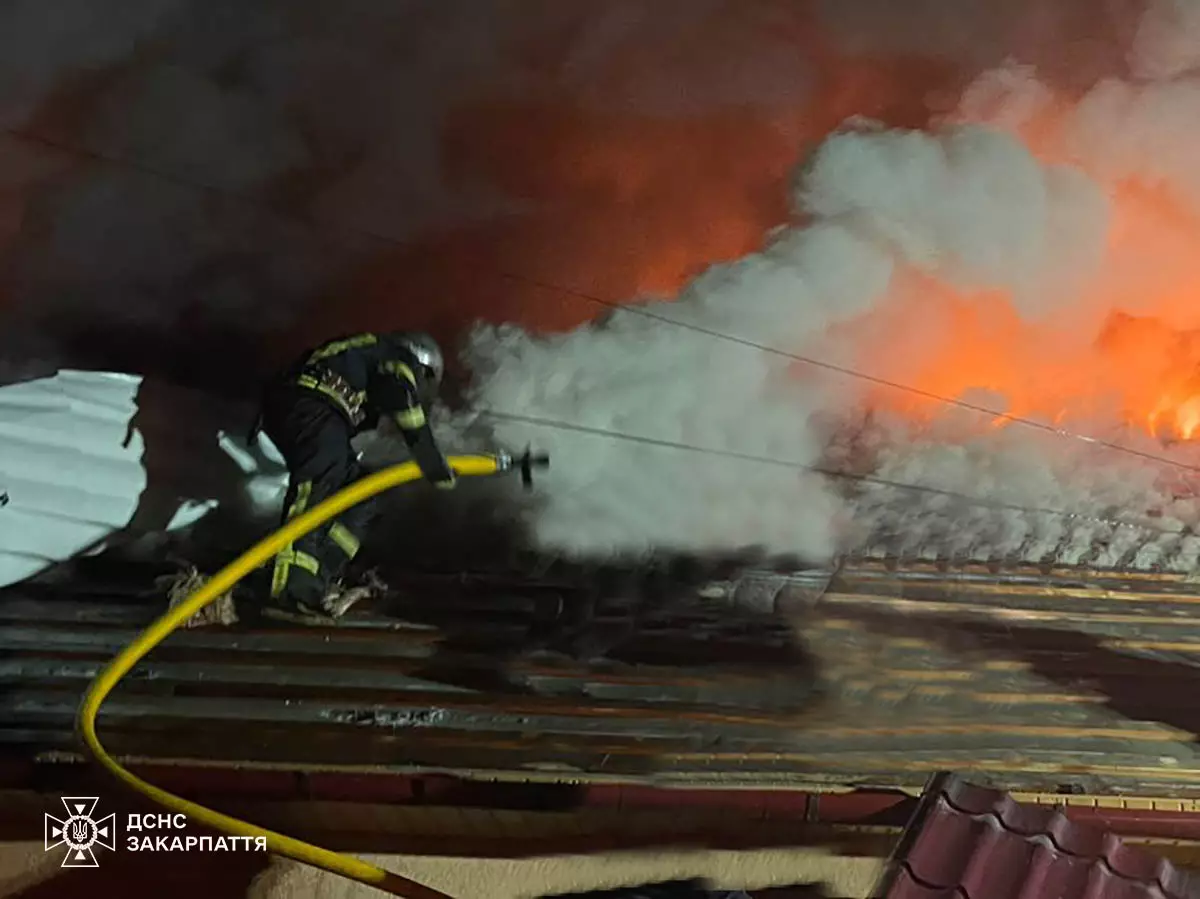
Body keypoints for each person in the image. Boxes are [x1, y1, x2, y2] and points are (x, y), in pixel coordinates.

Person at [251, 330, 457, 622]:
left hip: (311, 409)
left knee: (361, 493)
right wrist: (432, 461)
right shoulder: (398, 358)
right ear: (423, 367)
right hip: (313, 406)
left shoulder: (366, 361)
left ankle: (318, 575)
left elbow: (373, 410)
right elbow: (403, 401)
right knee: (316, 489)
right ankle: (289, 590)